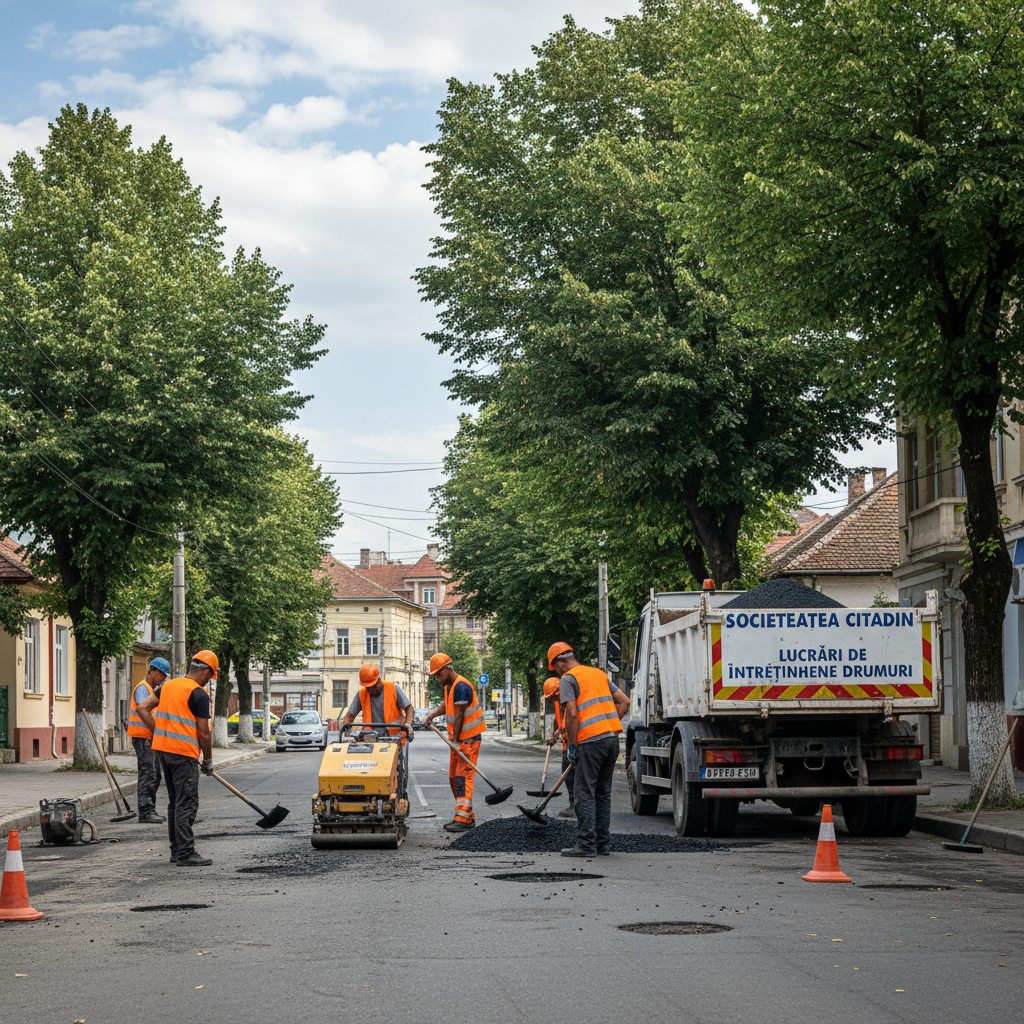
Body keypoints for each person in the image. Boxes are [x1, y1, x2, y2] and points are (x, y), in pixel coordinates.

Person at [549, 642, 629, 858]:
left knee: (584, 792)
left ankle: (586, 844)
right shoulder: (598, 674)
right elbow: (624, 702)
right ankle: (602, 844)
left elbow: (572, 714)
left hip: (591, 742)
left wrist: (572, 746)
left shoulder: (568, 679)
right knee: (602, 794)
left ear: (559, 663)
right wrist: (607, 725)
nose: (557, 673)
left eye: (554, 668)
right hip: (611, 740)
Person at [138, 651, 216, 867]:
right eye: (210, 677)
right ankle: (185, 852)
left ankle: (177, 850)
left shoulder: (167, 686)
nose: (208, 681)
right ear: (206, 672)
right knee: (186, 802)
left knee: (175, 801)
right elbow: (203, 732)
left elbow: (143, 708)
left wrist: (159, 732)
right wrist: (208, 760)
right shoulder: (199, 694)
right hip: (183, 754)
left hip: (163, 751)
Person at [421, 652, 485, 832]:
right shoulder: (450, 686)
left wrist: (455, 740)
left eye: (439, 673)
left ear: (448, 668)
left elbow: (459, 715)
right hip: (458, 741)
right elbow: (446, 705)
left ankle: (463, 819)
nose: (438, 677)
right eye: (435, 675)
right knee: (453, 777)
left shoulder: (461, 686)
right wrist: (430, 715)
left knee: (463, 777)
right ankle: (465, 815)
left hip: (468, 739)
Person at [127, 657, 170, 824]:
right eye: (162, 675)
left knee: (155, 774)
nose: (163, 679)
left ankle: (149, 808)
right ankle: (145, 811)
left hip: (149, 737)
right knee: (148, 774)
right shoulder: (143, 688)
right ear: (152, 671)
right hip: (143, 738)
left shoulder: (151, 690)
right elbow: (143, 710)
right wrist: (157, 732)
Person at [342, 664, 414, 741]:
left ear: (379, 680)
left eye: (374, 687)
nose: (371, 690)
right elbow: (350, 716)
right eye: (368, 688)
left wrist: (408, 726)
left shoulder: (393, 689)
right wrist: (346, 729)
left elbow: (409, 708)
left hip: (394, 738)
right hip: (370, 738)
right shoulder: (361, 694)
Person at [544, 676, 575, 818]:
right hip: (566, 745)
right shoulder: (559, 702)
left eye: (554, 696)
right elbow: (561, 724)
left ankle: (577, 806)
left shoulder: (572, 700)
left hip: (575, 743)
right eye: (551, 698)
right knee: (568, 776)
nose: (554, 700)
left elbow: (574, 720)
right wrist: (555, 736)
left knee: (575, 777)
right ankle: (574, 804)